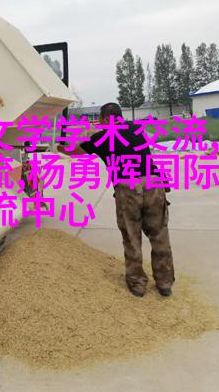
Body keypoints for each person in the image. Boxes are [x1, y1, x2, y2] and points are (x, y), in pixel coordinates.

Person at [58, 103, 175, 297]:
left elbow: (74, 151)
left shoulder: (101, 138)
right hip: (154, 185)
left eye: (100, 120)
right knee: (159, 235)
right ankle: (165, 283)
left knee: (131, 236)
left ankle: (137, 284)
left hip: (128, 189)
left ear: (105, 119)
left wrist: (60, 146)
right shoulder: (137, 129)